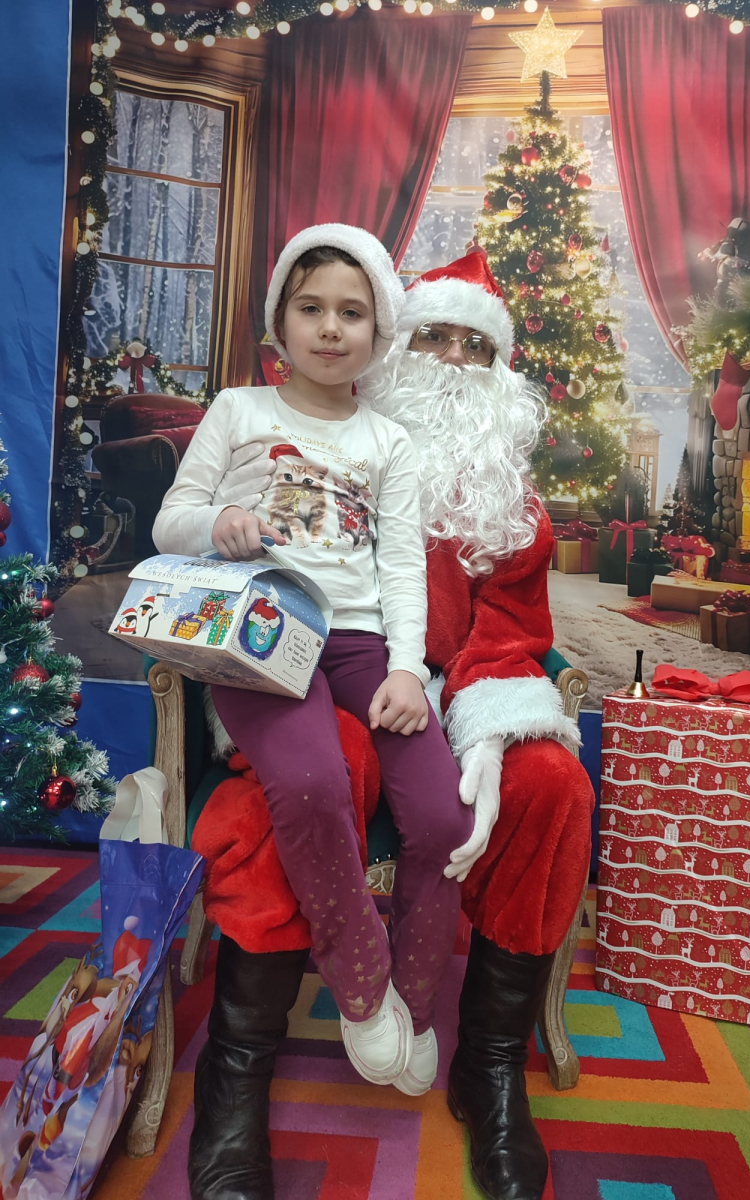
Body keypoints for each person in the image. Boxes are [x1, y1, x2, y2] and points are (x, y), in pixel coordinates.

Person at [201, 247, 596, 1200]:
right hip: (319, 678)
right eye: (435, 337)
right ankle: (238, 1070)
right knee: (311, 774)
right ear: (395, 345)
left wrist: (487, 724)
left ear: (499, 370)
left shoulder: (510, 504)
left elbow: (515, 631)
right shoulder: (332, 443)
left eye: (476, 346)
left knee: (555, 786)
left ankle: (489, 1062)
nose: (454, 359)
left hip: (453, 694)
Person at [152, 225, 473, 1198]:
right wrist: (219, 523)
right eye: (311, 308)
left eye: (351, 312)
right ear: (279, 323)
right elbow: (170, 519)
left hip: (362, 643)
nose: (331, 328)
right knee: (310, 782)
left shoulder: (388, 442)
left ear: (377, 331)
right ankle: (360, 980)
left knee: (443, 815)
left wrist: (408, 671)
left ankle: (415, 994)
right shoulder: (240, 409)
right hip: (260, 627)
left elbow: (401, 567)